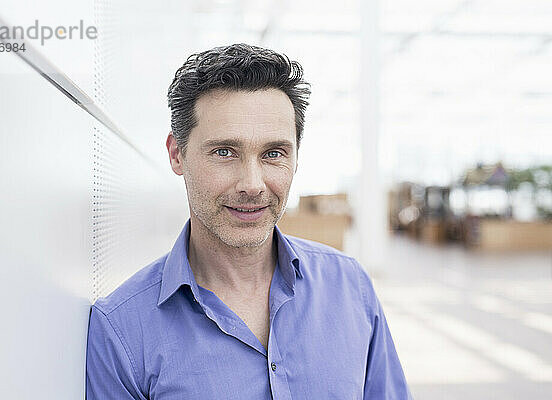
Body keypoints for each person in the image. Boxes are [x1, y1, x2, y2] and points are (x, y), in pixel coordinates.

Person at [85, 43, 412, 399]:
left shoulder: (350, 287)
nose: (253, 185)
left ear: (296, 158)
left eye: (274, 153)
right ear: (177, 155)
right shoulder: (121, 329)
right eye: (225, 152)